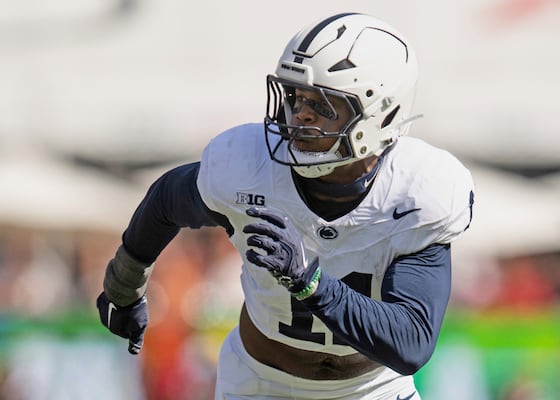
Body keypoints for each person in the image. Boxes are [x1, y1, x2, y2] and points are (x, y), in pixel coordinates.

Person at [96, 12, 475, 400]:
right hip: (262, 384)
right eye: (296, 96)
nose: (301, 114)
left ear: (381, 113)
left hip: (372, 388)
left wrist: (310, 283)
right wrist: (124, 284)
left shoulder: (416, 192)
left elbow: (410, 342)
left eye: (325, 104)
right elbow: (167, 199)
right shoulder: (247, 167)